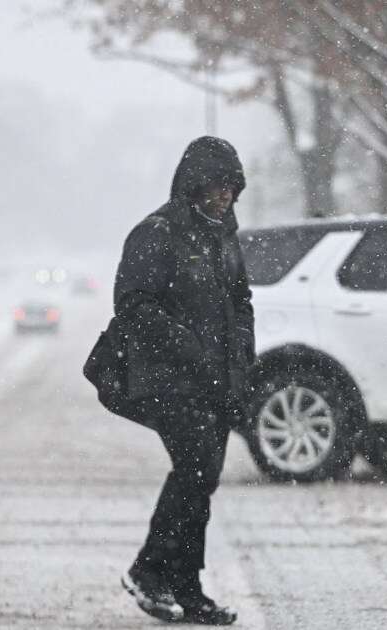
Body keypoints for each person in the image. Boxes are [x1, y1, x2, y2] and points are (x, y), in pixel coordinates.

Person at [115, 136, 254, 625]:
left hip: (215, 382)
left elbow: (241, 302)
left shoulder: (222, 238)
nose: (226, 197)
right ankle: (150, 570)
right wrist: (188, 346)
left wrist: (242, 359)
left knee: (202, 479)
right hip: (169, 381)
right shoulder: (156, 234)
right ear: (194, 184)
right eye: (218, 186)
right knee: (195, 469)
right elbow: (133, 306)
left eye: (232, 188)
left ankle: (184, 585)